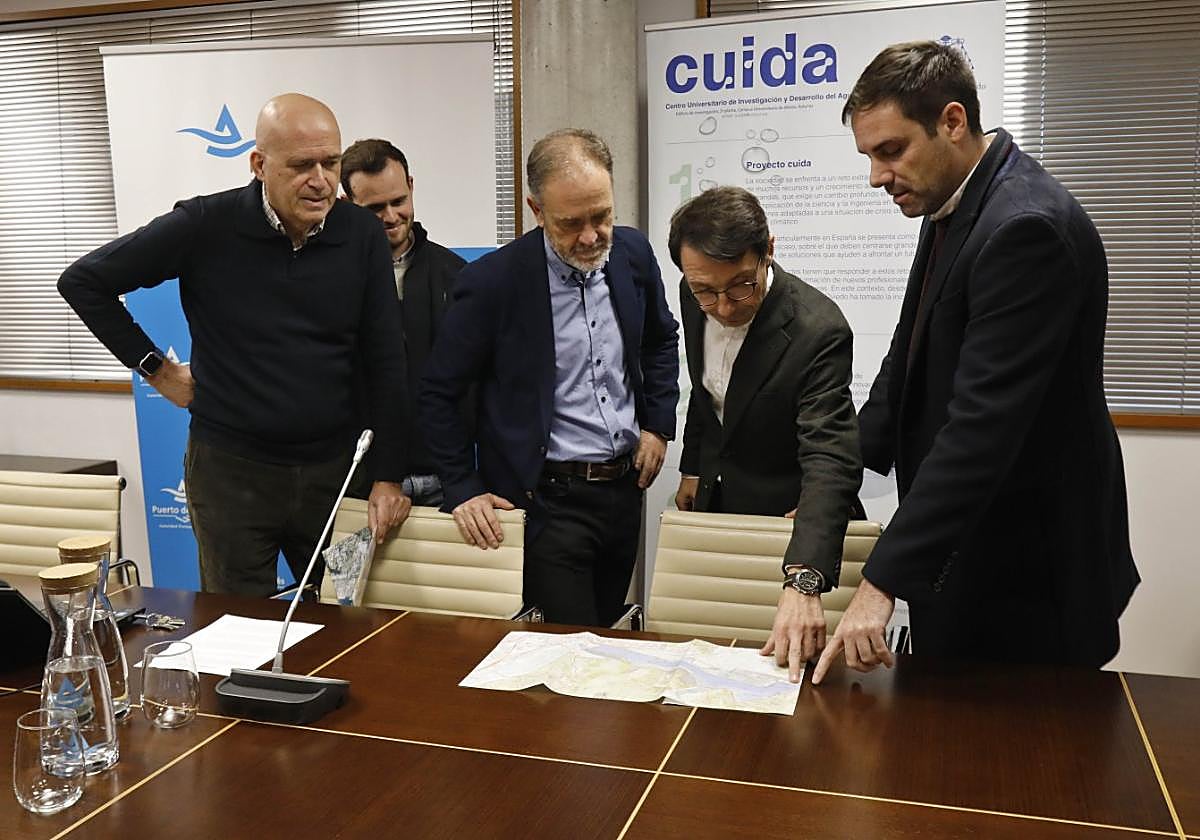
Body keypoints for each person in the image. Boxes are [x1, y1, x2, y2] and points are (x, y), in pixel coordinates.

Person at [812, 42, 1139, 683]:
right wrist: (833, 480)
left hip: (1029, 570)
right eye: (869, 156)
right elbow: (906, 362)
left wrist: (881, 583)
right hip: (972, 551)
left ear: (953, 121)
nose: (877, 176)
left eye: (891, 150)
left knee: (1020, 743)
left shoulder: (1025, 228)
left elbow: (980, 432)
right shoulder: (953, 201)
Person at [58, 93, 412, 597]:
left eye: (330, 163)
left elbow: (387, 359)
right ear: (259, 164)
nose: (320, 180)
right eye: (301, 165)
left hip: (335, 476)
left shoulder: (361, 234)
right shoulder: (205, 225)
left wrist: (388, 475)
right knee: (236, 628)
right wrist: (156, 369)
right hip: (231, 476)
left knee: (341, 622)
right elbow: (83, 282)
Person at [421, 128, 679, 627]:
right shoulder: (492, 283)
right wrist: (462, 486)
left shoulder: (632, 254)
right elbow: (439, 393)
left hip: (624, 491)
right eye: (571, 223)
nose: (591, 236)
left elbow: (660, 340)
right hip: (546, 502)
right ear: (536, 211)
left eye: (601, 216)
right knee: (569, 648)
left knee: (608, 634)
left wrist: (657, 424)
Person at [668, 186, 862, 683]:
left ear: (768, 250)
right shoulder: (696, 292)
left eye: (741, 287)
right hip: (720, 506)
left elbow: (831, 454)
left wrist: (805, 575)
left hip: (787, 520)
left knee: (792, 679)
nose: (723, 307)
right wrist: (692, 466)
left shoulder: (817, 329)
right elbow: (709, 391)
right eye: (706, 292)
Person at [340, 138, 467, 507]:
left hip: (446, 481)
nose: (391, 216)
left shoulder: (456, 275)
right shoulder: (328, 281)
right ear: (346, 203)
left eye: (398, 201)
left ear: (411, 186)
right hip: (356, 484)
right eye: (375, 208)